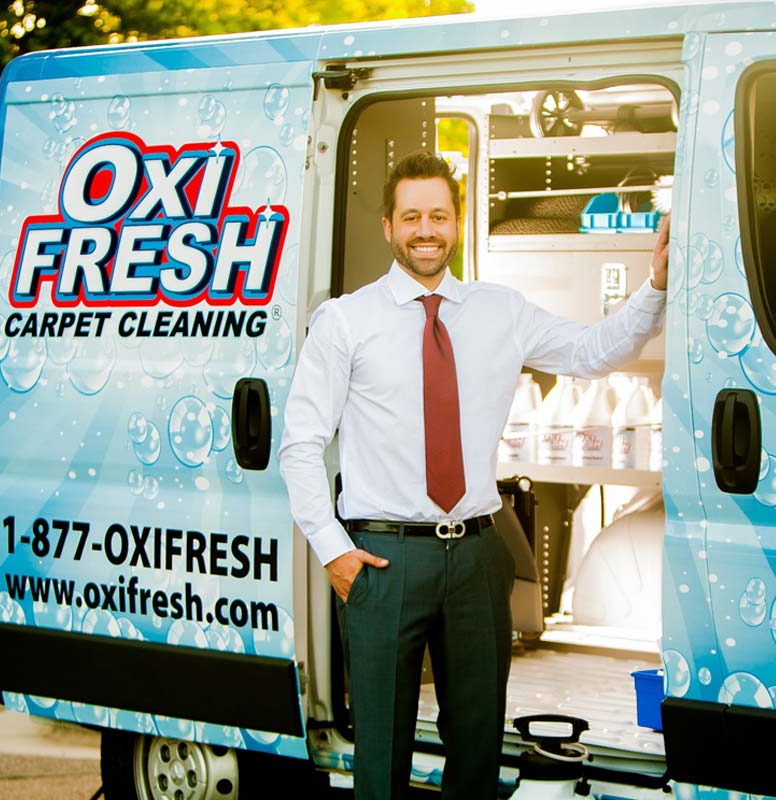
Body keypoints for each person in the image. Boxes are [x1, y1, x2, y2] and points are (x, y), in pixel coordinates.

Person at [278, 150, 669, 800]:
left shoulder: (501, 311)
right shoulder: (347, 321)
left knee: (478, 753)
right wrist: (334, 551)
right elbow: (300, 445)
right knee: (380, 761)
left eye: (438, 214)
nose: (425, 229)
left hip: (476, 559)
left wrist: (655, 287)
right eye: (411, 217)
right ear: (387, 225)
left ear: (456, 222)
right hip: (381, 562)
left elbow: (593, 353)